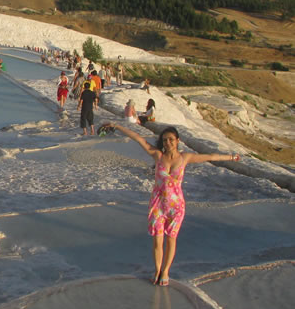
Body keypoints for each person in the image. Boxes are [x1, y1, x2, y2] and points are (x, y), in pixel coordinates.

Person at [99, 123, 240, 286]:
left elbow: (210, 156)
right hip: (158, 204)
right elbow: (138, 138)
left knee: (171, 240)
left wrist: (230, 157)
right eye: (165, 140)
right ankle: (157, 269)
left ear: (177, 141)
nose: (168, 143)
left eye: (171, 139)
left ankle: (166, 271)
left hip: (176, 206)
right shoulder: (158, 156)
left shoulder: (184, 158)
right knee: (158, 241)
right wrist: (116, 125)